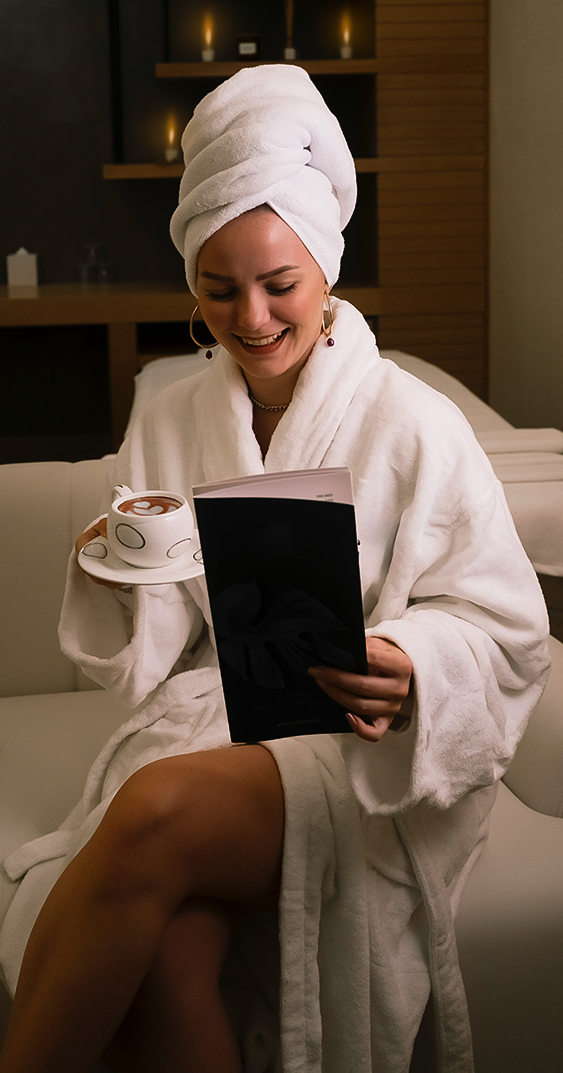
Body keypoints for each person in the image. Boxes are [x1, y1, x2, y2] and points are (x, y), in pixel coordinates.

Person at [0, 66, 550, 1073]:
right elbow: (155, 640)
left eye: (277, 284)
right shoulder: (169, 413)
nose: (249, 317)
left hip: (361, 750)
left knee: (152, 810)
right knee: (171, 950)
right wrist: (117, 565)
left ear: (324, 269)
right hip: (219, 719)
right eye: (217, 290)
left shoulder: (410, 423)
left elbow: (507, 628)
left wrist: (412, 658)